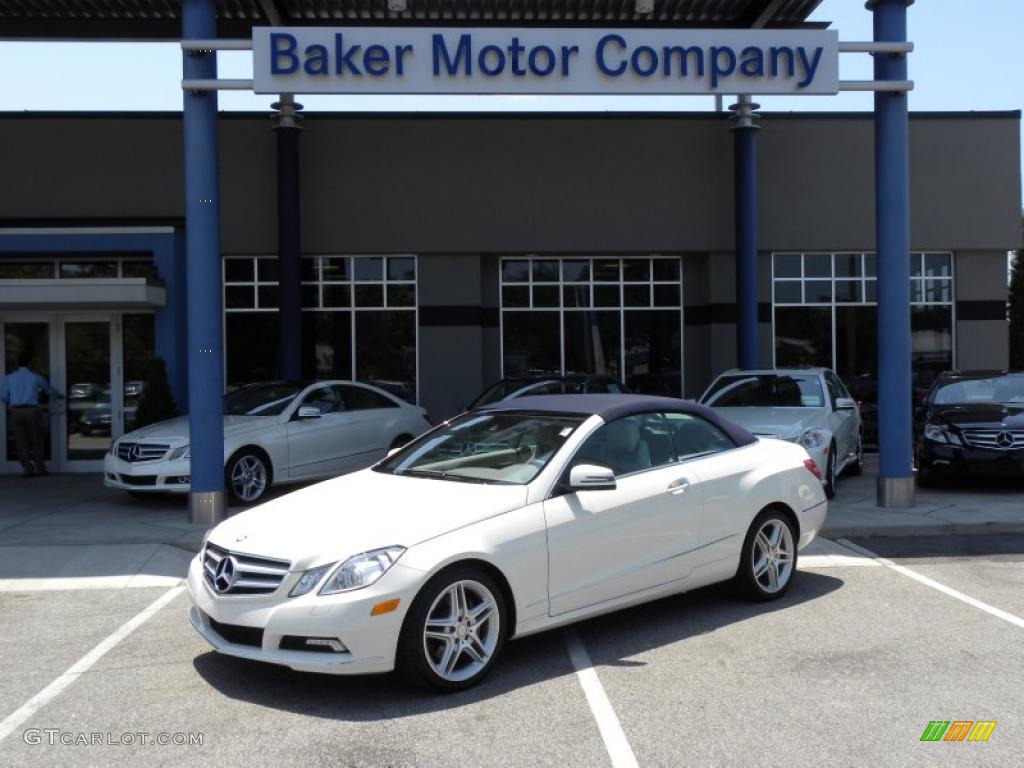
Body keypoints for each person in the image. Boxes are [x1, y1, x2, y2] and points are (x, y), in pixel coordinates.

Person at [0, 351, 63, 477]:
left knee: (21, 441)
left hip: (16, 410)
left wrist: (11, 403)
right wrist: (60, 395)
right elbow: (49, 390)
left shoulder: (9, 378)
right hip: (32, 410)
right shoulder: (35, 377)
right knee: (36, 439)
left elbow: (3, 396)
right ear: (30, 363)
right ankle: (40, 469)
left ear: (17, 363)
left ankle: (27, 469)